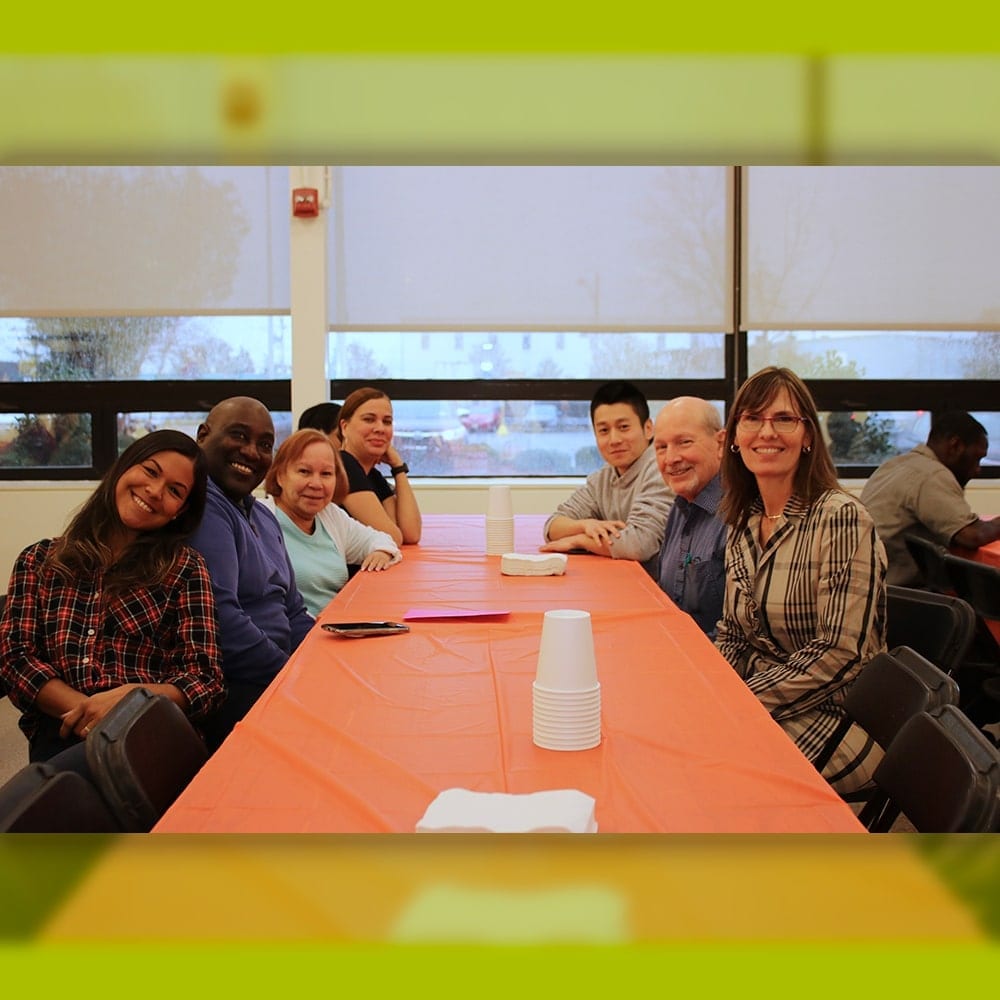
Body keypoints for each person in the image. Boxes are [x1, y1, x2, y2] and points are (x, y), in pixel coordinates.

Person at [0, 429, 224, 764]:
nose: (155, 491)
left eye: (175, 491)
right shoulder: (39, 561)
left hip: (148, 734)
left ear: (180, 510)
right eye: (150, 471)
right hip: (62, 731)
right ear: (123, 467)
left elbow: (205, 680)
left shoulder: (185, 569)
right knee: (57, 787)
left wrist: (134, 699)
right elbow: (15, 659)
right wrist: (91, 713)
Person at [715, 367, 887, 795]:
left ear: (808, 435)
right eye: (752, 419)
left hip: (838, 714)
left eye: (784, 419)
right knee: (681, 736)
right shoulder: (744, 519)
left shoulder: (841, 518)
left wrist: (738, 703)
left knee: (711, 770)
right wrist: (708, 691)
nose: (766, 432)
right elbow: (733, 634)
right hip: (763, 700)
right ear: (734, 437)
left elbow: (840, 653)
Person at [191, 396, 315, 750]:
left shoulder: (261, 515)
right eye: (239, 436)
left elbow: (293, 610)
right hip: (237, 685)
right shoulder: (205, 508)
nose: (251, 452)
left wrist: (322, 663)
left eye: (264, 444)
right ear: (203, 436)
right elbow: (224, 622)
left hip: (275, 670)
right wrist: (292, 675)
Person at [261, 429, 401, 617]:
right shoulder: (259, 520)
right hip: (294, 631)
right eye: (304, 472)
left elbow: (381, 539)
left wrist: (382, 552)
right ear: (280, 476)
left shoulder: (330, 516)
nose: (316, 484)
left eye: (326, 474)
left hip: (337, 625)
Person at [539, 381, 674, 570]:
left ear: (648, 428)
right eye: (603, 430)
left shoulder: (661, 468)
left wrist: (579, 540)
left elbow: (639, 543)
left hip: (656, 585)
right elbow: (552, 527)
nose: (614, 440)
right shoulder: (602, 478)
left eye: (624, 427)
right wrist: (585, 525)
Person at [860, 411, 1000, 586]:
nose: (977, 470)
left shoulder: (897, 464)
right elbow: (972, 535)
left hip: (872, 584)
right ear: (955, 446)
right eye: (977, 458)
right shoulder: (932, 475)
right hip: (898, 592)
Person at [651, 397, 727, 638]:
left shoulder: (738, 513)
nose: (670, 459)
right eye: (661, 447)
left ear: (721, 443)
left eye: (684, 442)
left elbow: (739, 633)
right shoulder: (679, 506)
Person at [338, 387, 422, 545]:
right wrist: (395, 531)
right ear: (345, 427)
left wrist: (398, 468)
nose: (380, 429)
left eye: (387, 422)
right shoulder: (342, 465)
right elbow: (393, 537)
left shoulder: (373, 475)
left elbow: (411, 534)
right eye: (369, 419)